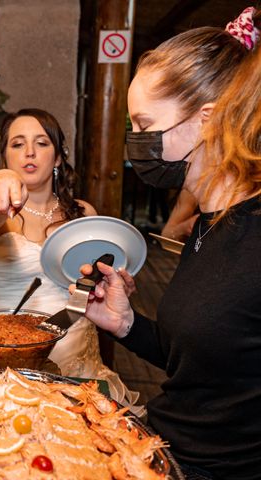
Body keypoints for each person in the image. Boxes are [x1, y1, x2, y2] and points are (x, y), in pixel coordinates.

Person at [77, 7, 261, 479]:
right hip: (163, 449)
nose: (136, 141)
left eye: (143, 124)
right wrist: (125, 323)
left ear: (206, 120)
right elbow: (203, 358)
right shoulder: (209, 223)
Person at [0, 108, 139, 407]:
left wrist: (112, 288)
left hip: (75, 355)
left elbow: (92, 286)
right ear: (4, 157)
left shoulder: (84, 215)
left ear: (57, 157)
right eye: (17, 144)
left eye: (42, 143)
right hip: (1, 356)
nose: (29, 152)